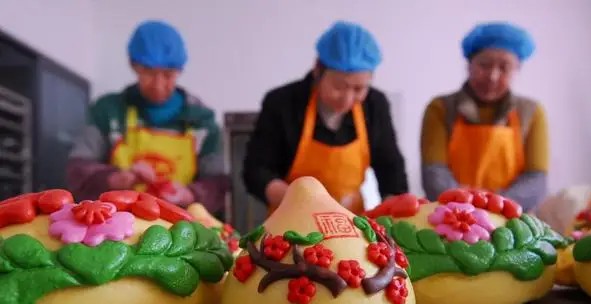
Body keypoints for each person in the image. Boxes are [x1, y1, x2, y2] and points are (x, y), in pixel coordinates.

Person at [242, 20, 408, 215]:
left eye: (358, 89)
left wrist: (392, 211)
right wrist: (297, 200)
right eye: (338, 86)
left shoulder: (375, 105)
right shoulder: (282, 103)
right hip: (291, 220)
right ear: (317, 70)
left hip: (352, 222)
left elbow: (391, 170)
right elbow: (256, 170)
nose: (347, 99)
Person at [66, 20, 229, 214]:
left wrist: (189, 194)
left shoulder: (201, 121)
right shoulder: (108, 111)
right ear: (133, 65)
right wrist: (118, 178)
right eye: (149, 73)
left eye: (168, 75)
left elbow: (219, 184)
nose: (158, 85)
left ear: (179, 71)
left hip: (181, 224)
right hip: (119, 223)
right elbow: (77, 171)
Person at [421, 22, 549, 212]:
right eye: (484, 65)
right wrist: (466, 207)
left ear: (517, 69)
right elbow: (434, 173)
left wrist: (496, 206)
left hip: (512, 219)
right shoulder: (441, 108)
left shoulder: (531, 112)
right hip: (453, 216)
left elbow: (536, 178)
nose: (493, 76)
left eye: (504, 67)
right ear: (469, 65)